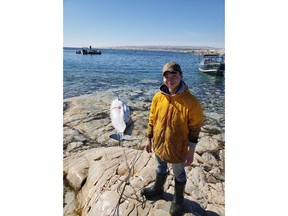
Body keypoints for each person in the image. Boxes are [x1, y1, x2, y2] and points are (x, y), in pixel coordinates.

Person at [141, 62, 204, 216]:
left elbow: (195, 127)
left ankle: (177, 200)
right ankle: (157, 189)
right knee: (160, 167)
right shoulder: (158, 97)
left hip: (178, 147)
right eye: (166, 77)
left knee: (179, 174)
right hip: (159, 143)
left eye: (174, 76)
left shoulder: (191, 101)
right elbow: (152, 118)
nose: (170, 80)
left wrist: (191, 151)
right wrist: (149, 137)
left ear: (181, 76)